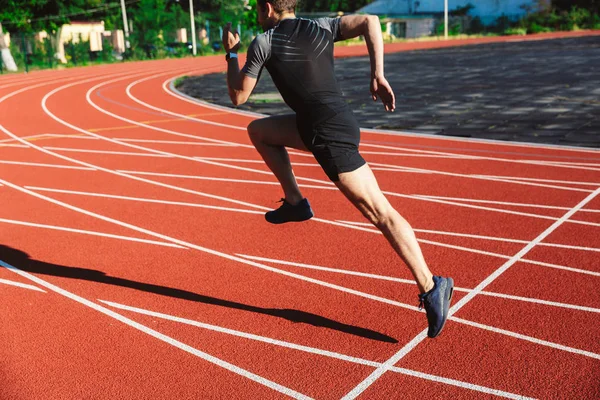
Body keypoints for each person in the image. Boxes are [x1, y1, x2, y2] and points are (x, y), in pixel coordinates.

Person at [222, 0, 454, 338]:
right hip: (319, 125)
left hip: (328, 136)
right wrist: (377, 75)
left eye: (259, 7)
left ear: (269, 7)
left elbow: (238, 96)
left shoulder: (264, 42)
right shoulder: (320, 27)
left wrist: (231, 54)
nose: (257, 13)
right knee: (259, 131)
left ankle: (432, 283)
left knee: (380, 212)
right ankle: (295, 201)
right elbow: (370, 22)